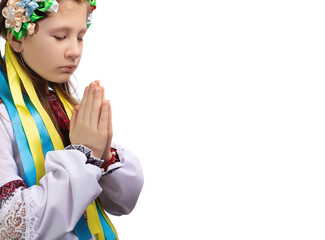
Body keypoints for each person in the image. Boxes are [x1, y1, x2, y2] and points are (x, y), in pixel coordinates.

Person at [0, 0, 144, 239]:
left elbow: (122, 203)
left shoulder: (68, 106)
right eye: (60, 36)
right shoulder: (5, 117)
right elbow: (11, 226)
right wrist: (84, 154)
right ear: (17, 39)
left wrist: (104, 156)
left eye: (80, 37)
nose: (75, 51)